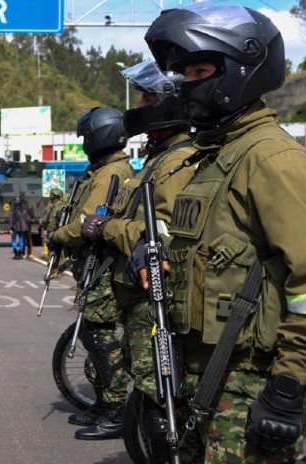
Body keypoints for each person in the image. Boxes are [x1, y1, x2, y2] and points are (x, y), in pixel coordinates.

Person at [136, 0, 306, 462]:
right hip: (198, 376)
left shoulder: (272, 161)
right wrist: (154, 253)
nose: (187, 84)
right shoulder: (214, 158)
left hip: (250, 383)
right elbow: (211, 249)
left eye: (200, 71)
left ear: (240, 72)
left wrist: (288, 384)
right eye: (184, 73)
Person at [74, 60, 197, 449]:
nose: (138, 106)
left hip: (153, 298)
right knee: (146, 386)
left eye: (146, 98)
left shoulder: (176, 164)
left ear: (167, 104)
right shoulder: (160, 159)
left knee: (156, 393)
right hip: (137, 295)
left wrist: (107, 227)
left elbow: (161, 232)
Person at [44, 106, 134, 439]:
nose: (84, 144)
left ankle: (116, 410)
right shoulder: (103, 170)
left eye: (86, 137)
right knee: (93, 333)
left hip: (103, 268)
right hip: (93, 266)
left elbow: (87, 223)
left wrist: (58, 236)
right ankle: (102, 402)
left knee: (101, 338)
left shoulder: (110, 173)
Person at [9, 193, 30, 259]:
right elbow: (28, 219)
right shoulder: (24, 211)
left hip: (15, 227)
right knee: (21, 239)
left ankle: (15, 252)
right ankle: (20, 252)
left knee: (13, 239)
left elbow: (11, 220)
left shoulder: (13, 211)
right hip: (22, 228)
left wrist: (10, 228)